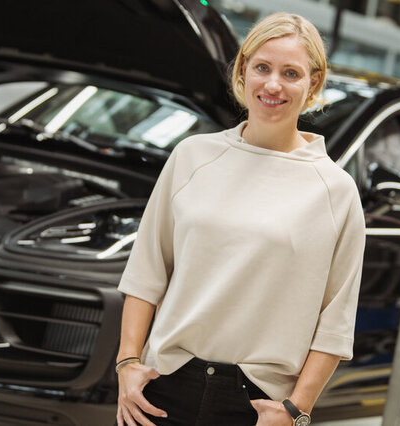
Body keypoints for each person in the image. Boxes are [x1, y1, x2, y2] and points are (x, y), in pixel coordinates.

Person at [115, 12, 365, 426]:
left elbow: (335, 322)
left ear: (313, 84)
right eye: (262, 67)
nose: (272, 85)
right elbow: (146, 273)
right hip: (162, 386)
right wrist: (127, 363)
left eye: (291, 73)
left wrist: (296, 409)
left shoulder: (335, 191)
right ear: (243, 69)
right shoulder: (192, 156)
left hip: (256, 405)